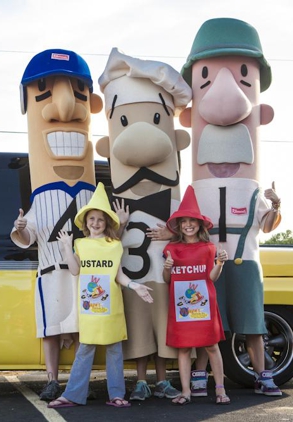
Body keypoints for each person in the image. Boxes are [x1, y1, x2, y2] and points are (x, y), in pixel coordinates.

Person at [179, 18, 282, 396]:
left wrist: (275, 205)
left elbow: (268, 223)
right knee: (207, 324)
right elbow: (183, 224)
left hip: (246, 262)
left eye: (242, 75)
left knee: (252, 324)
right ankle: (203, 379)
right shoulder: (196, 189)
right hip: (208, 266)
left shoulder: (252, 189)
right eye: (204, 77)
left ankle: (263, 375)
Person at [97, 47, 192, 401]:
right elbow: (105, 238)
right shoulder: (113, 199)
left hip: (165, 272)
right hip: (132, 273)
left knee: (164, 327)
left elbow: (194, 231)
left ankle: (163, 379)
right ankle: (139, 380)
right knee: (137, 329)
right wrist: (118, 226)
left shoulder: (175, 198)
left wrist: (172, 231)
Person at [11, 48, 103, 401]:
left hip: (86, 273)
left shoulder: (93, 195)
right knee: (50, 329)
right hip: (51, 270)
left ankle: (78, 381)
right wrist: (20, 226)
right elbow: (27, 234)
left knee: (85, 328)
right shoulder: (39, 198)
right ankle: (52, 378)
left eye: (79, 91)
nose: (65, 107)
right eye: (45, 91)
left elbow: (106, 229)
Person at [47, 183, 153, 408]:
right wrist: (66, 246)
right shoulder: (80, 244)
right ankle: (73, 395)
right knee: (85, 348)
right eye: (91, 219)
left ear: (107, 223)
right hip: (89, 308)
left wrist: (135, 286)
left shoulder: (114, 245)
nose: (95, 223)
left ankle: (117, 395)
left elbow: (118, 275)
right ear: (85, 222)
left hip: (112, 306)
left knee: (114, 350)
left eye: (100, 219)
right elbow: (75, 270)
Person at [162, 185, 230, 405]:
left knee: (211, 346)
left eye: (192, 221)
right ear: (179, 226)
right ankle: (185, 391)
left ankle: (220, 390)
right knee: (183, 349)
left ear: (199, 224)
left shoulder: (209, 248)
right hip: (182, 309)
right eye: (184, 221)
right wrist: (167, 267)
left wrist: (219, 264)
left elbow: (212, 277)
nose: (188, 225)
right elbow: (166, 279)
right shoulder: (171, 249)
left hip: (205, 306)